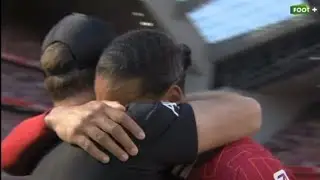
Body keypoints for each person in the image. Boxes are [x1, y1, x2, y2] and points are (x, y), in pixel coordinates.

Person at [29, 29, 262, 180]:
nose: (107, 113)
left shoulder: (52, 142)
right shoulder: (138, 126)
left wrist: (55, 116)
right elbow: (249, 110)